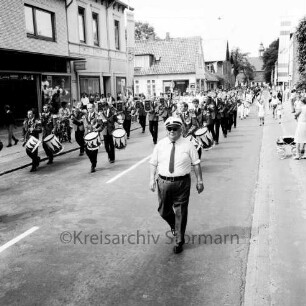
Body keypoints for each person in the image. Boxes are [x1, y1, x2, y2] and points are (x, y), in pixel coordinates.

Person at [149, 117, 204, 254]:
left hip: (182, 183)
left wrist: (200, 181)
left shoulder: (188, 145)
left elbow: (196, 163)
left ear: (181, 130)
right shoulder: (160, 144)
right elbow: (153, 163)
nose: (172, 131)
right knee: (163, 210)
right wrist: (151, 179)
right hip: (163, 182)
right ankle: (174, 224)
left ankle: (179, 240)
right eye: (169, 129)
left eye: (175, 129)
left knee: (181, 211)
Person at [83, 103, 103, 172]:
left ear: (93, 108)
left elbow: (101, 125)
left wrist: (97, 129)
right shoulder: (86, 116)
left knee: (94, 151)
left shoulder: (97, 115)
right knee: (87, 150)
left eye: (90, 108)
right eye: (88, 108)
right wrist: (85, 135)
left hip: (95, 136)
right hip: (87, 136)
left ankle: (93, 165)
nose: (89, 110)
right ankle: (93, 162)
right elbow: (85, 126)